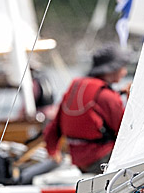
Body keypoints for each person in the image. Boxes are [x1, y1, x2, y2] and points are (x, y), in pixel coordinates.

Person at [43, 43, 130, 174]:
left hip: (79, 161)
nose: (125, 72)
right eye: (123, 67)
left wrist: (52, 151)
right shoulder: (107, 96)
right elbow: (126, 132)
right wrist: (131, 100)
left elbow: (54, 127)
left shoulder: (74, 88)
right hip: (100, 161)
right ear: (112, 69)